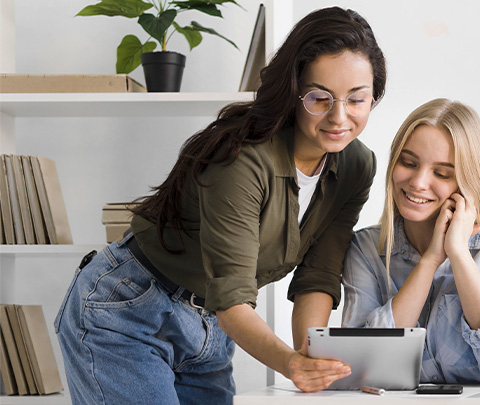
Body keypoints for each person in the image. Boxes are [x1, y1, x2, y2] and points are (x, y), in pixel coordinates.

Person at [54, 7, 386, 403]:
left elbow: (319, 272)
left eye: (357, 99)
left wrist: (311, 359)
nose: (339, 117)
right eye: (319, 98)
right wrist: (291, 364)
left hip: (208, 323)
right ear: (293, 91)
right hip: (128, 309)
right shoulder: (242, 158)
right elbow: (231, 296)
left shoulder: (356, 165)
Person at [341, 98, 480, 386]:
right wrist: (430, 261)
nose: (418, 182)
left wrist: (458, 254)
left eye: (441, 173)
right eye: (408, 163)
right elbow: (360, 368)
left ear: (466, 182)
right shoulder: (367, 248)